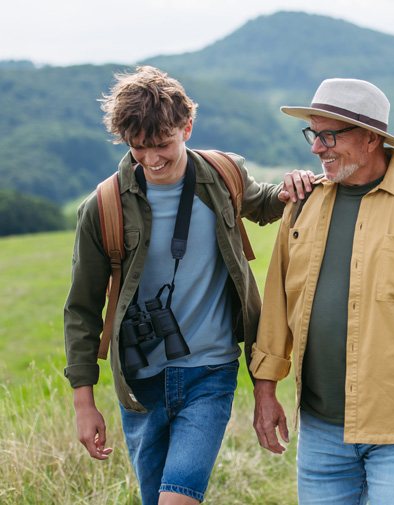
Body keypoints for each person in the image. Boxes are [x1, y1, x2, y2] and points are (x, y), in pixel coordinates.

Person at [63, 65, 313, 505]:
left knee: (177, 500)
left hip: (210, 372)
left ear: (187, 127)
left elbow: (267, 203)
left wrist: (295, 185)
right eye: (138, 148)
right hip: (140, 384)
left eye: (162, 145)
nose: (152, 159)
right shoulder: (102, 208)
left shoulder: (223, 175)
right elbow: (81, 311)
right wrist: (85, 404)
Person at [250, 78, 394, 505]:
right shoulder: (302, 204)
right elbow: (276, 307)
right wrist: (265, 390)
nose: (316, 148)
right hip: (320, 431)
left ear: (371, 138)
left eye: (328, 135)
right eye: (312, 133)